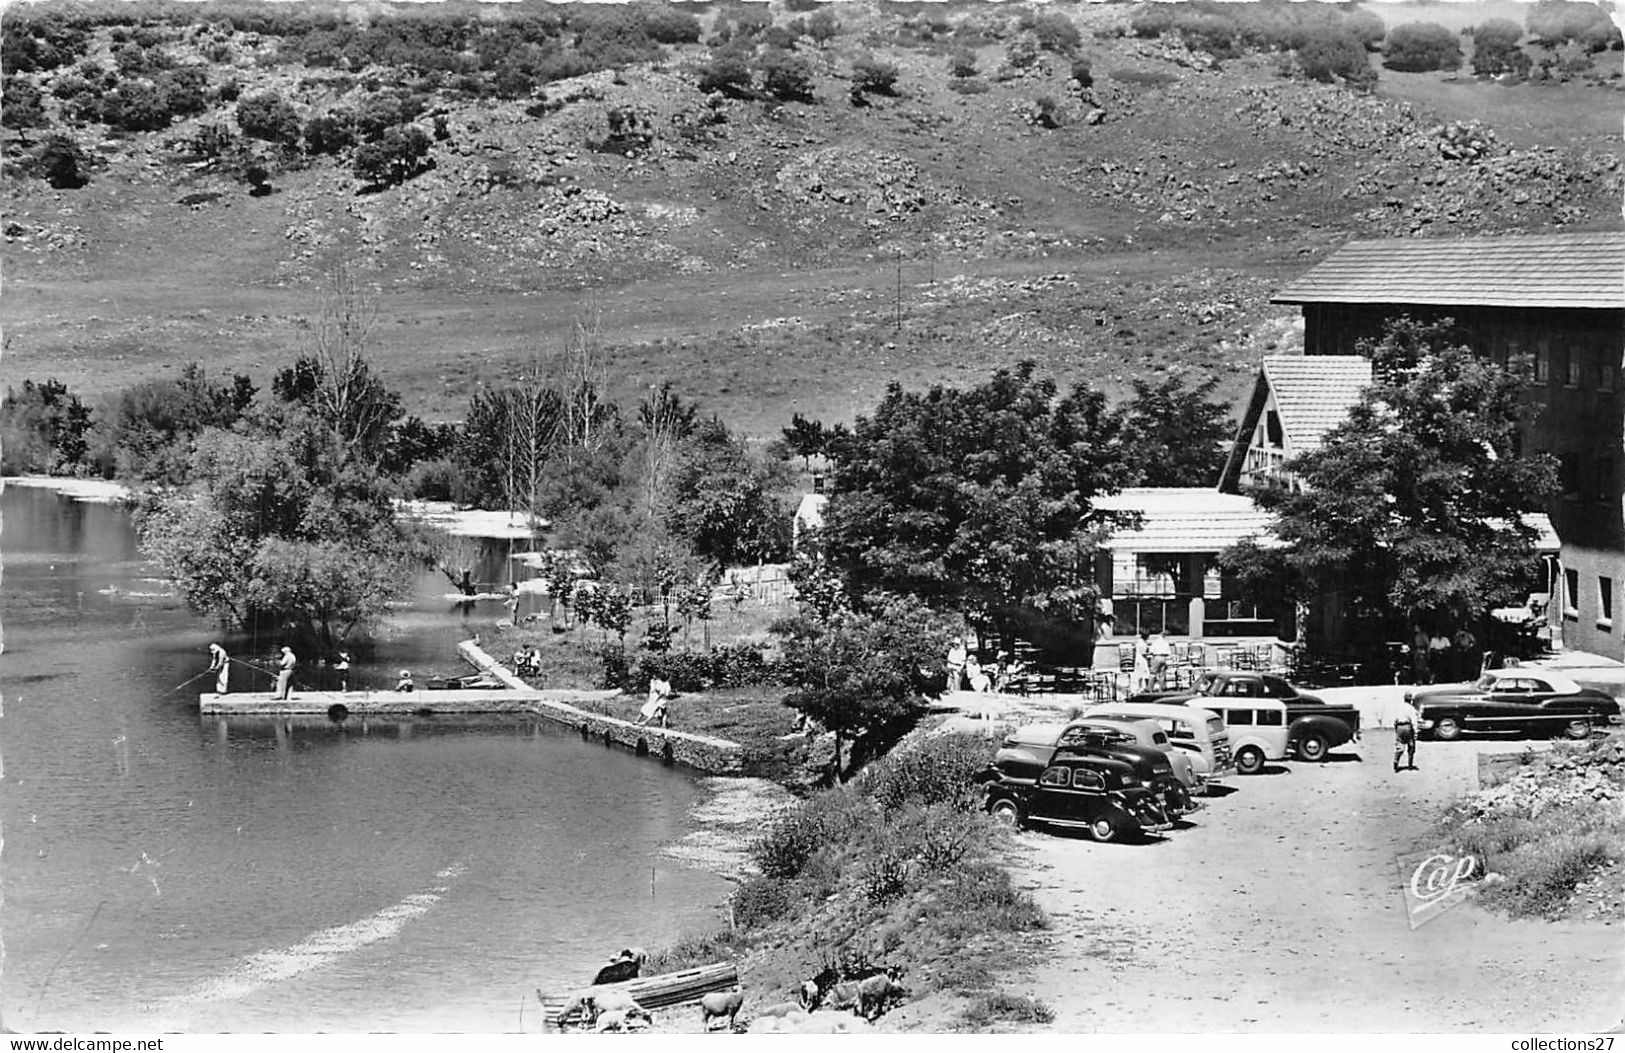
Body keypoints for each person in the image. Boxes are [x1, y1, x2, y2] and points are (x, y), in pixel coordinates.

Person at [1389, 695, 1421, 773]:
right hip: (1407, 727)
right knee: (1411, 745)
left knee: (1400, 746)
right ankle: (1410, 765)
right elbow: (1414, 720)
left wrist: (1396, 729)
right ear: (1410, 700)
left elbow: (1395, 720)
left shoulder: (1399, 707)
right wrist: (1416, 732)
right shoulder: (1411, 708)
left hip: (1399, 727)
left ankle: (1396, 762)